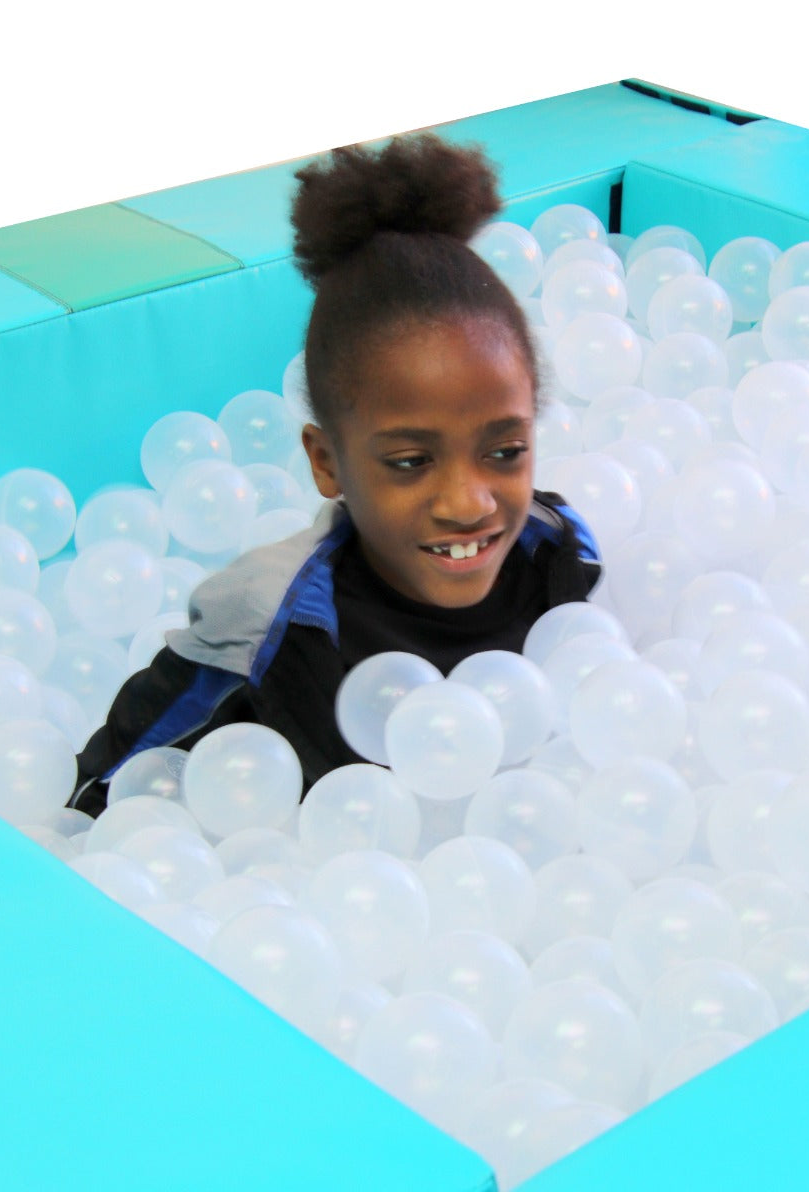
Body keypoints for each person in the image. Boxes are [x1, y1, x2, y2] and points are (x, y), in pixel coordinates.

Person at [71, 134, 601, 817]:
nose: (469, 503)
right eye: (411, 462)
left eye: (504, 452)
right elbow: (97, 797)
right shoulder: (265, 627)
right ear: (327, 463)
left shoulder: (557, 550)